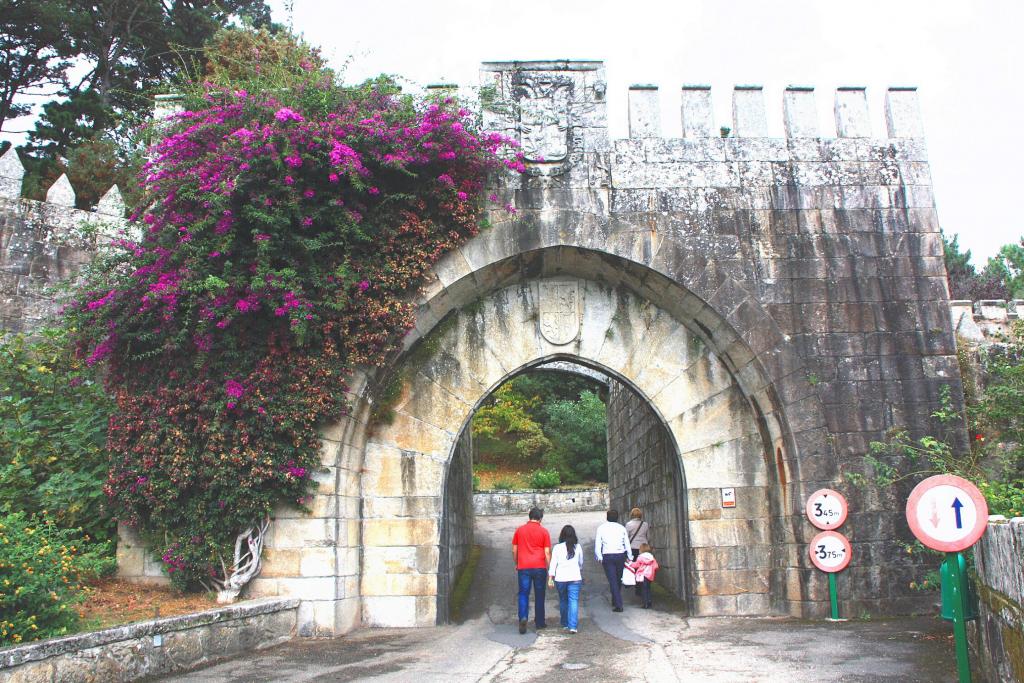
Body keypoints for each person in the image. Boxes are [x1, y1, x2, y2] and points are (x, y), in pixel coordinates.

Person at [512, 506, 551, 634]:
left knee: (523, 593)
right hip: (539, 567)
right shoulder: (544, 531)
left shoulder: (519, 530)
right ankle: (540, 622)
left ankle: (523, 617)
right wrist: (550, 568)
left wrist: (516, 562)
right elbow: (547, 552)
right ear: (540, 519)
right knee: (540, 595)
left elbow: (514, 549)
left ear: (529, 517)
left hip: (524, 567)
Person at [547, 525, 584, 634]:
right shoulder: (578, 547)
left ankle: (564, 623)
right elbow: (581, 562)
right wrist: (579, 569)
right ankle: (573, 626)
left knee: (563, 600)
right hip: (575, 577)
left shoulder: (557, 547)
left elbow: (553, 564)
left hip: (561, 578)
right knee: (573, 600)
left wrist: (550, 577)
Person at [594, 508, 631, 612]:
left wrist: (599, 556)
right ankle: (616, 600)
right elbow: (626, 542)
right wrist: (630, 556)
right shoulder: (621, 528)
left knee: (612, 579)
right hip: (620, 555)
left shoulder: (601, 528)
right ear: (617, 517)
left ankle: (617, 602)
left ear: (607, 517)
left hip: (608, 555)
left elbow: (598, 543)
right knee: (618, 578)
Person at [625, 507, 650, 597]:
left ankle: (636, 585)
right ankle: (642, 586)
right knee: (643, 568)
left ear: (632, 515)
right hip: (643, 548)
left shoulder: (628, 524)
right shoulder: (645, 524)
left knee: (634, 567)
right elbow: (648, 536)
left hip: (633, 548)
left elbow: (626, 537)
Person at [627, 543, 660, 609]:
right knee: (648, 589)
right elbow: (656, 566)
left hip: (643, 575)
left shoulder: (640, 557)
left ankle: (645, 604)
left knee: (643, 589)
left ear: (641, 550)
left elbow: (636, 565)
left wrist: (630, 563)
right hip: (650, 575)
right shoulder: (652, 558)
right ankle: (649, 602)